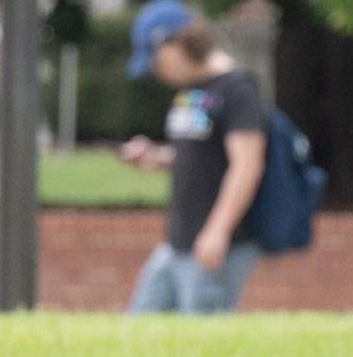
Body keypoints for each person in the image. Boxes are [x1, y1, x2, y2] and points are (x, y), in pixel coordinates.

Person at [119, 18, 306, 314]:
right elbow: (199, 155)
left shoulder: (237, 90)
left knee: (201, 338)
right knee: (140, 327)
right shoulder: (190, 92)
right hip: (176, 242)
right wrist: (156, 156)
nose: (157, 72)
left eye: (155, 60)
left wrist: (218, 231)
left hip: (217, 244)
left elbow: (247, 165)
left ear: (175, 45)